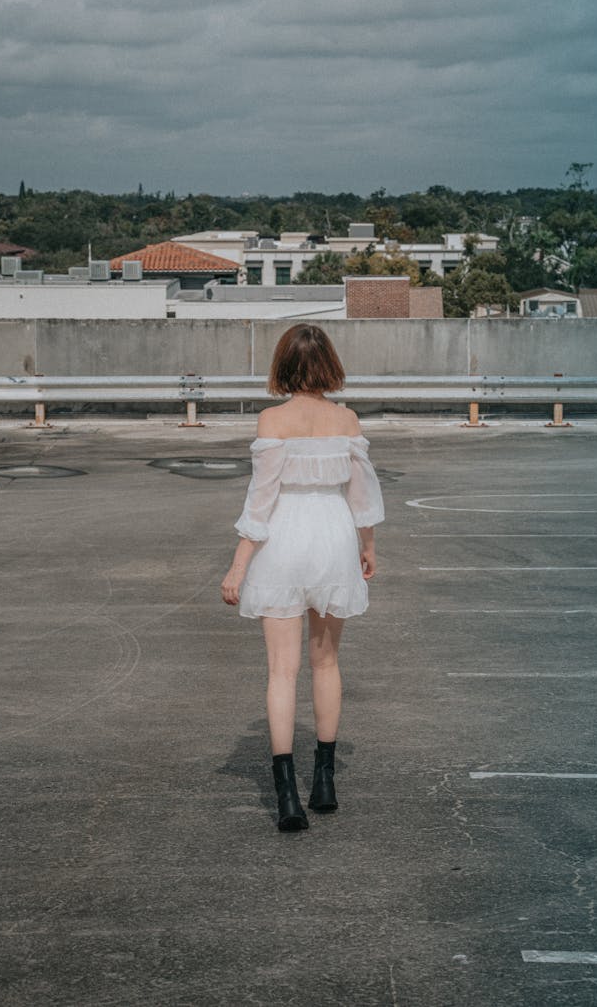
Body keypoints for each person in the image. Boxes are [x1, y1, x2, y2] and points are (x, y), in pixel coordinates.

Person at [221, 324, 384, 832]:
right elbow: (362, 497)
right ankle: (326, 782)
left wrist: (238, 565)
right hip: (334, 537)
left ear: (283, 365)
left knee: (281, 672)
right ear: (329, 364)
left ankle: (287, 794)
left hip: (284, 540)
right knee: (326, 663)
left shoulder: (273, 419)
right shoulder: (346, 419)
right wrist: (368, 547)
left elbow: (262, 499)